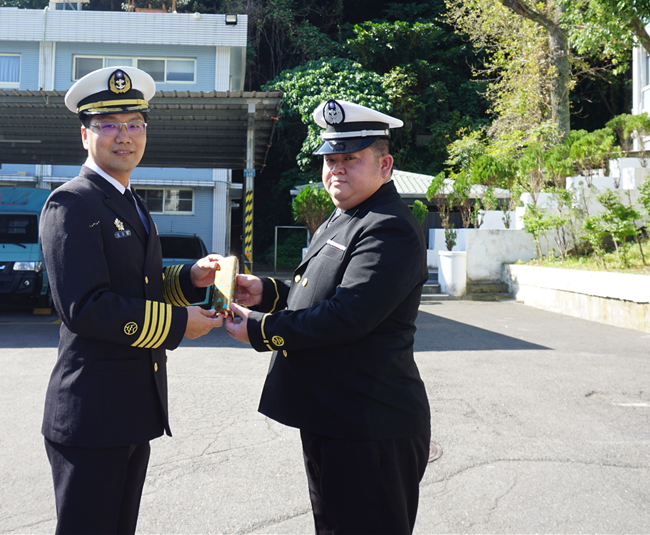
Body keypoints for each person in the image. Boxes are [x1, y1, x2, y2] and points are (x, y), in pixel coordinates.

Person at [226, 99, 431, 534]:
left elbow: (346, 316)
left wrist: (258, 329)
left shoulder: (387, 226)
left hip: (370, 427)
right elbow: (317, 293)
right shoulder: (344, 218)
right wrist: (268, 292)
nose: (336, 168)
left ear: (385, 164)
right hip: (334, 418)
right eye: (330, 159)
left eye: (351, 159)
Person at [40, 66, 224, 535]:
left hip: (128, 409)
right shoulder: (72, 203)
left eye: (135, 124)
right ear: (86, 135)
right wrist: (180, 325)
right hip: (91, 413)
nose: (125, 136)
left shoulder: (129, 200)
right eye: (109, 125)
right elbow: (87, 306)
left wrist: (191, 277)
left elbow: (138, 282)